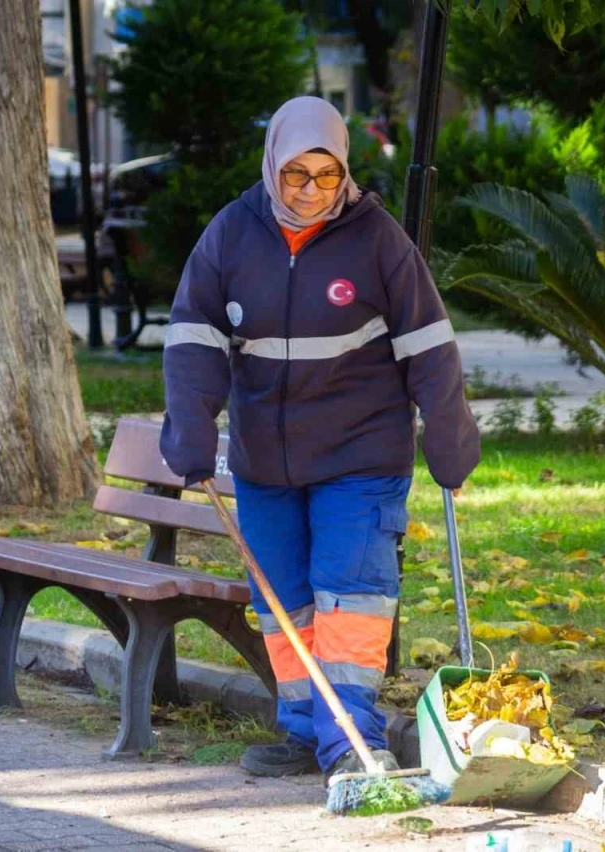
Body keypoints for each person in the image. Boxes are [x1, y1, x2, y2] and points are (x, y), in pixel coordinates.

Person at [160, 96, 480, 781]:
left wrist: (449, 433)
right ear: (273, 165)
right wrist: (190, 423)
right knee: (285, 605)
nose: (310, 192)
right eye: (296, 176)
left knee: (352, 598)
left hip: (361, 455)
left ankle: (353, 746)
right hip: (264, 461)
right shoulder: (230, 234)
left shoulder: (377, 239)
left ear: (346, 172)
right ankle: (307, 732)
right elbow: (194, 337)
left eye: (326, 176)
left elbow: (428, 345)